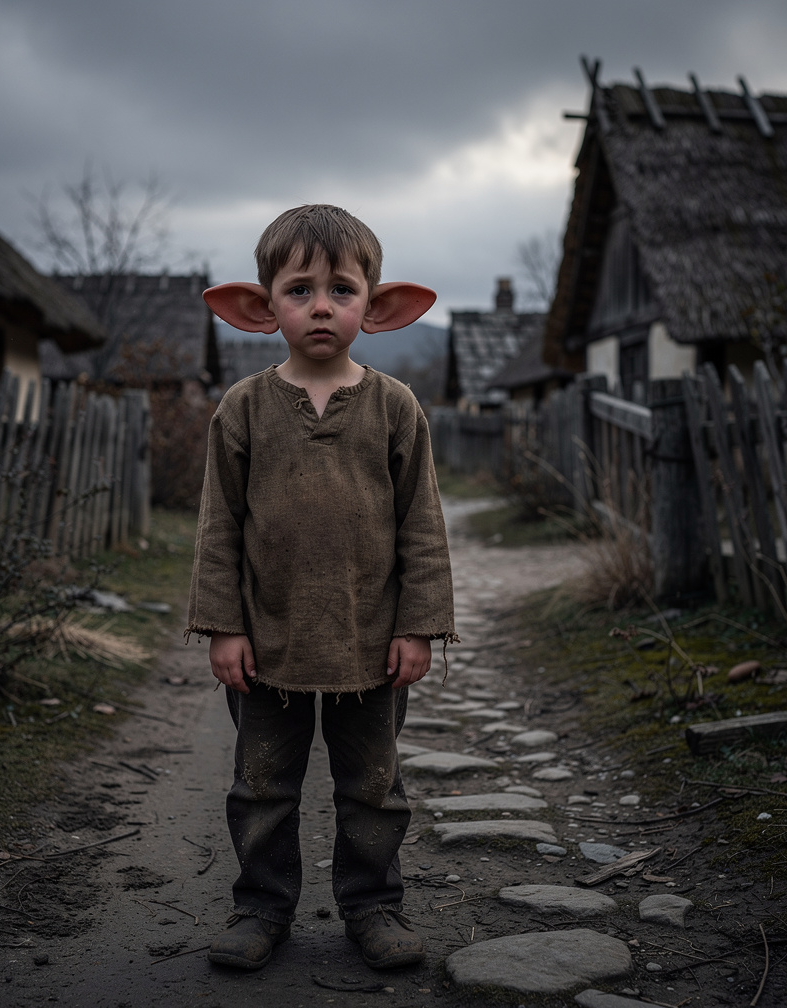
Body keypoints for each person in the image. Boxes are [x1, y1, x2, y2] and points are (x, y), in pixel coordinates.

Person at [186, 204, 456, 971]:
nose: (321, 306)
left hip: (370, 645)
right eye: (299, 289)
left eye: (342, 289)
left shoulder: (395, 407)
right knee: (262, 787)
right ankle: (260, 910)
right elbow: (219, 530)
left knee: (373, 788)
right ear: (259, 306)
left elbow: (422, 527)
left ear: (379, 307)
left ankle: (373, 908)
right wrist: (224, 627)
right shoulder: (242, 408)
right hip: (267, 643)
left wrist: (418, 626)